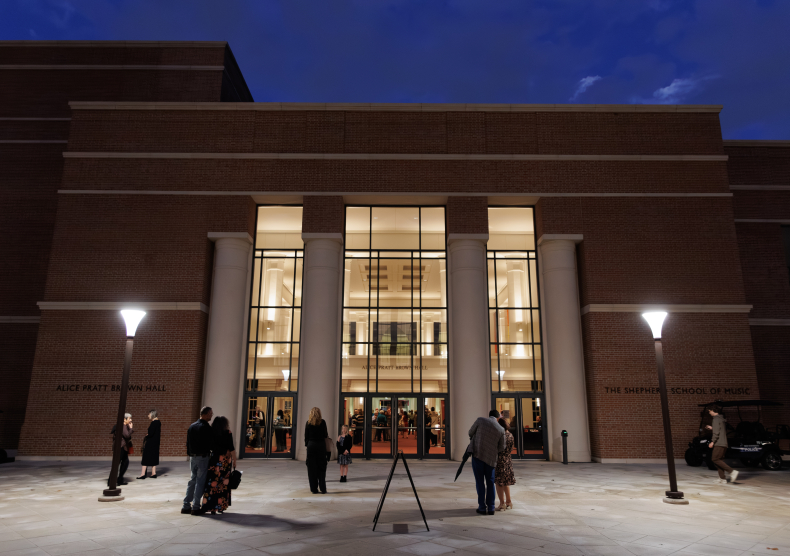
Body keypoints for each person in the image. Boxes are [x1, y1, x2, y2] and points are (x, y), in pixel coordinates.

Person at [468, 410, 506, 515]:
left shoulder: (480, 421)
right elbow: (502, 447)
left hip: (478, 455)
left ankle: (481, 507)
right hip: (491, 459)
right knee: (490, 482)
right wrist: (493, 451)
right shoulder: (501, 429)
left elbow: (470, 432)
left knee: (480, 482)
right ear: (498, 418)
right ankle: (491, 508)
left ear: (489, 415)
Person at [201, 416, 236, 515]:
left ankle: (210, 507)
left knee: (212, 484)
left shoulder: (212, 433)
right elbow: (232, 447)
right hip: (225, 461)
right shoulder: (228, 433)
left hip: (214, 460)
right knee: (223, 484)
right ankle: (221, 507)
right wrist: (235, 460)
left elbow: (210, 446)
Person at [183, 406, 213, 515]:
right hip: (202, 457)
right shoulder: (207, 428)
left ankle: (186, 505)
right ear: (206, 414)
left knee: (192, 480)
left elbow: (187, 442)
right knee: (200, 481)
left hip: (192, 457)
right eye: (210, 414)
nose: (211, 416)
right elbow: (210, 443)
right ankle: (195, 507)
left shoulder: (192, 426)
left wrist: (190, 454)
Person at [707, 405, 738, 484]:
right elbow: (719, 429)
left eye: (709, 411)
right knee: (719, 460)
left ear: (713, 410)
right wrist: (712, 427)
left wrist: (712, 441)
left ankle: (732, 472)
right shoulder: (721, 419)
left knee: (715, 459)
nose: (709, 412)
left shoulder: (716, 419)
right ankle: (722, 479)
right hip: (723, 443)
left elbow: (716, 433)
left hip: (719, 443)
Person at [304, 406, 329, 494]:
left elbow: (306, 437)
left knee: (311, 468)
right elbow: (325, 435)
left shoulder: (308, 423)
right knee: (321, 468)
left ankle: (314, 489)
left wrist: (308, 444)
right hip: (321, 446)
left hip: (311, 446)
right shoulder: (323, 422)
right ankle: (323, 488)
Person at [495, 417, 515, 511]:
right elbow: (511, 448)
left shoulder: (500, 435)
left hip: (500, 460)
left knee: (499, 483)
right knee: (506, 482)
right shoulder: (510, 435)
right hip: (508, 460)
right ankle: (509, 501)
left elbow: (497, 448)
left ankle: (502, 503)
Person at [109, 413, 133, 486]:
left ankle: (118, 480)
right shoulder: (123, 426)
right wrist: (131, 428)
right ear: (124, 419)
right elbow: (127, 435)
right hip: (121, 447)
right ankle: (112, 481)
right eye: (129, 418)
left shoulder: (124, 426)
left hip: (122, 447)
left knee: (124, 462)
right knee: (117, 464)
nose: (131, 420)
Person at [137, 409, 160, 479]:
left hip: (150, 443)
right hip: (155, 444)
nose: (148, 416)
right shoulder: (158, 422)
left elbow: (151, 433)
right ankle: (153, 473)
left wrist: (147, 435)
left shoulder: (153, 423)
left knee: (145, 458)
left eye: (149, 414)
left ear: (152, 414)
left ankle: (142, 474)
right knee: (153, 457)